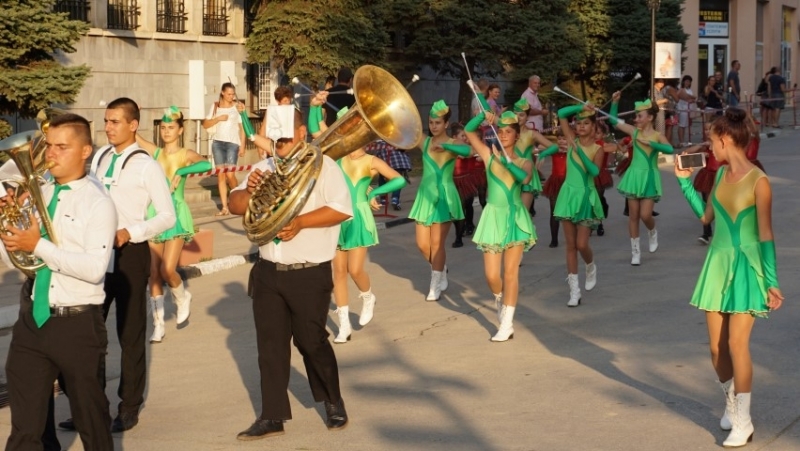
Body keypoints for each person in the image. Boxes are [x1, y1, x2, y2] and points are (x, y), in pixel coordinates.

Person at [229, 107, 352, 440]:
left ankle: (332, 399)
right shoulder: (262, 166)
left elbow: (342, 209)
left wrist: (300, 222)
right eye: (275, 139)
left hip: (309, 271)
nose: (279, 145)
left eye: (285, 139)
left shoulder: (323, 166)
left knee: (311, 341)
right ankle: (273, 415)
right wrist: (249, 191)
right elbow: (235, 205)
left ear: (301, 133)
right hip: (268, 270)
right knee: (269, 346)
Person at [1, 113, 117, 450]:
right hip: (33, 323)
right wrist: (10, 233)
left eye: (61, 147)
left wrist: (37, 244)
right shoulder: (38, 194)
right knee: (24, 429)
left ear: (85, 151)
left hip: (78, 325)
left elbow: (95, 268)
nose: (50, 154)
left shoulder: (98, 203)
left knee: (91, 423)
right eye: (49, 146)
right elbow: (20, 260)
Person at [61, 97, 175, 433]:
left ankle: (128, 406)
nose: (108, 127)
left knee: (130, 333)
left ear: (133, 124)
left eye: (114, 122)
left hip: (129, 255)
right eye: (106, 121)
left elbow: (167, 215)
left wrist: (132, 231)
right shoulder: (99, 157)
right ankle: (90, 406)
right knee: (85, 332)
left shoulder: (147, 165)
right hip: (95, 253)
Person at [674, 107, 783, 448]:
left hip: (747, 268)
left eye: (711, 140)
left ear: (725, 139)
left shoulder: (759, 182)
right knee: (715, 348)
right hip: (718, 264)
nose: (709, 146)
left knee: (737, 345)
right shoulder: (719, 176)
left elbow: (766, 234)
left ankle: (743, 421)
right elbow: (706, 217)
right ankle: (731, 402)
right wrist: (684, 184)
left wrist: (772, 280)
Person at [308, 95, 407, 343]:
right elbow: (314, 129)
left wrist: (377, 191)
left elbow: (398, 179)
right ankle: (343, 325)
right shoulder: (336, 157)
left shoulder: (370, 161)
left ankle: (367, 296)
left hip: (359, 216)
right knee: (338, 272)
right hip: (336, 216)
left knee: (354, 269)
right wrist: (314, 106)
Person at [136, 106, 212, 343]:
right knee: (153, 273)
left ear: (180, 131)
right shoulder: (156, 153)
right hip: (155, 213)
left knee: (168, 269)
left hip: (177, 213)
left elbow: (206, 166)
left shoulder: (185, 153)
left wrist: (182, 169)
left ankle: (182, 298)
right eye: (164, 127)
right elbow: (135, 137)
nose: (166, 131)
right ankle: (158, 324)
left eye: (171, 128)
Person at [459, 110, 536, 341]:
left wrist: (507, 162)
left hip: (514, 218)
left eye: (508, 132)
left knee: (511, 273)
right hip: (493, 216)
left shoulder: (525, 161)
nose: (503, 135)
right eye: (500, 131)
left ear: (516, 136)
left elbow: (525, 179)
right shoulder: (488, 155)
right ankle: (500, 298)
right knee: (492, 275)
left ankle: (507, 323)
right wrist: (483, 117)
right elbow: (469, 131)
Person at [408, 100, 470, 301]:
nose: (433, 126)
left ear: (446, 124)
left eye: (437, 122)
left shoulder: (452, 144)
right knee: (421, 244)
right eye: (431, 122)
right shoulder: (424, 141)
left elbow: (471, 151)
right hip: (425, 196)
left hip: (444, 195)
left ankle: (435, 284)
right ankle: (441, 268)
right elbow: (405, 130)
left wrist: (446, 146)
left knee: (437, 243)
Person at [546, 104, 605, 307]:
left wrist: (579, 151)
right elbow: (561, 113)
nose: (580, 126)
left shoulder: (598, 148)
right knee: (570, 246)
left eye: (586, 123)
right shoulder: (570, 139)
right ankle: (574, 291)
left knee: (582, 244)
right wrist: (581, 106)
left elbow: (595, 173)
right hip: (568, 195)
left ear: (594, 126)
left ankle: (590, 265)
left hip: (586, 196)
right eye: (578, 123)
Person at [609, 91, 674, 266]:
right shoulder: (634, 132)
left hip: (649, 176)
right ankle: (635, 251)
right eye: (636, 116)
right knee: (633, 216)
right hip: (634, 176)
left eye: (639, 116)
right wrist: (615, 102)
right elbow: (613, 121)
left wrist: (651, 144)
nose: (636, 119)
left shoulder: (657, 136)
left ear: (650, 118)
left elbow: (670, 150)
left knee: (646, 215)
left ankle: (652, 231)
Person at [202, 82, 246, 216]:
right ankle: (225, 207)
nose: (231, 96)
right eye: (229, 94)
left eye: (233, 94)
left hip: (233, 143)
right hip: (218, 143)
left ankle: (239, 198)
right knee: (221, 175)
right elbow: (205, 124)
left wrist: (242, 145)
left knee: (230, 174)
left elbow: (242, 127)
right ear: (222, 92)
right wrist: (218, 119)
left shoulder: (237, 108)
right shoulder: (215, 107)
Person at [682, 122, 719, 245]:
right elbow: (686, 153)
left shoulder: (722, 144)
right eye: (706, 129)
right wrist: (701, 147)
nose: (707, 132)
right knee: (705, 204)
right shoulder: (705, 144)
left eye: (710, 129)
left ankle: (721, 230)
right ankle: (706, 232)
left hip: (720, 176)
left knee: (719, 205)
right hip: (708, 176)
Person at [541, 130, 569, 248]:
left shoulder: (573, 150)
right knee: (554, 211)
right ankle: (554, 239)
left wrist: (568, 149)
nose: (561, 141)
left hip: (569, 181)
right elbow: (541, 147)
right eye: (559, 139)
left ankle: (573, 237)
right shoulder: (554, 150)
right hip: (555, 182)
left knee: (570, 211)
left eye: (564, 139)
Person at [366, 139, 412, 211]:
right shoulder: (398, 140)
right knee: (397, 179)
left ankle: (383, 198)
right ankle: (395, 198)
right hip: (398, 163)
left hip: (386, 162)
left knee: (382, 179)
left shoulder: (380, 142)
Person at [256, 85, 294, 159]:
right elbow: (263, 129)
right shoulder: (272, 111)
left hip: (289, 147)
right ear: (278, 101)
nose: (288, 103)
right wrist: (260, 147)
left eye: (289, 100)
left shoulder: (292, 111)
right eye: (285, 101)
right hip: (274, 146)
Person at [676, 75, 697, 147]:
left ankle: (683, 140)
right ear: (684, 81)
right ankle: (681, 141)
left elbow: (693, 98)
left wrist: (691, 98)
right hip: (682, 108)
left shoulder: (689, 90)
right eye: (686, 81)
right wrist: (691, 97)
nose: (687, 83)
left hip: (688, 109)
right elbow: (679, 95)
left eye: (689, 81)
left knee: (685, 125)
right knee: (681, 125)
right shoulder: (681, 88)